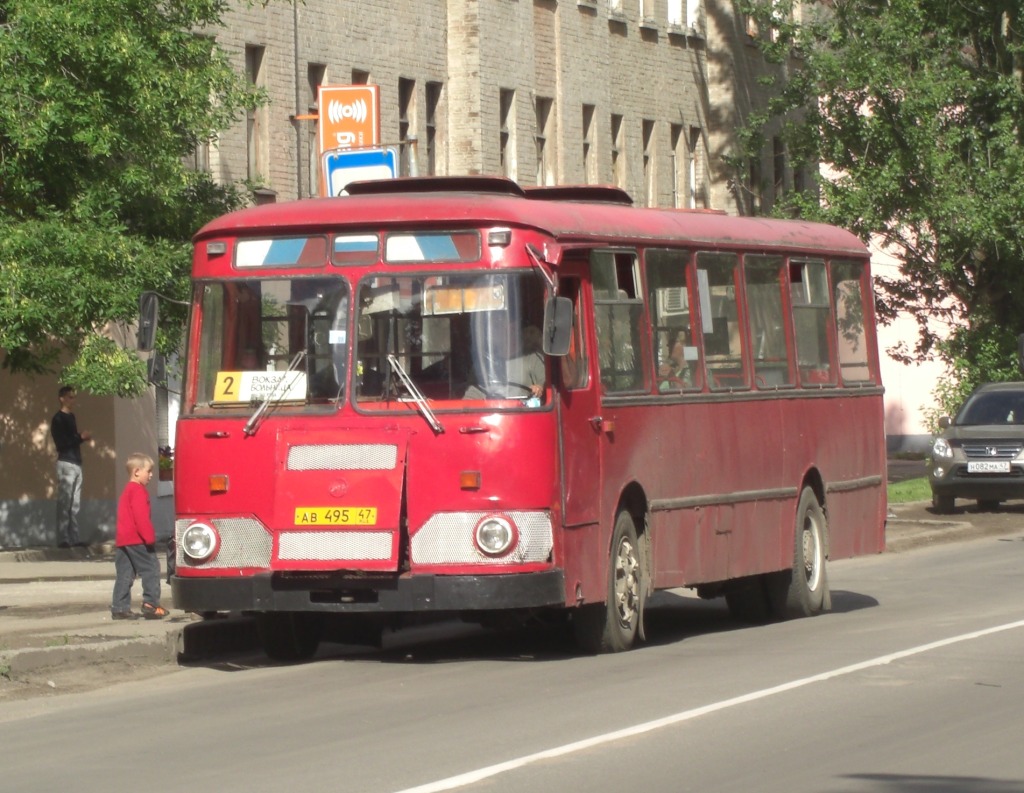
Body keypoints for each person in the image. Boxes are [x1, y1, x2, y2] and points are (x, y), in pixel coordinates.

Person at [110, 453, 169, 620]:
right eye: (148, 471)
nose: (151, 475)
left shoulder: (126, 491)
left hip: (123, 541)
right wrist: (149, 538)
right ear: (137, 471)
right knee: (151, 569)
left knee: (125, 573)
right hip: (138, 540)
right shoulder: (138, 491)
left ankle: (119, 607)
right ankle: (151, 603)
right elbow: (140, 517)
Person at [50, 386, 92, 548]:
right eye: (70, 397)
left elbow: (73, 440)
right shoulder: (58, 419)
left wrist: (79, 438)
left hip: (76, 462)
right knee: (64, 502)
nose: (72, 400)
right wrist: (80, 437)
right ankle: (63, 539)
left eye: (74, 397)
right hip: (66, 463)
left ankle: (74, 538)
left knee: (74, 503)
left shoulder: (71, 417)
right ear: (62, 398)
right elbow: (62, 444)